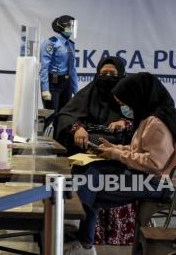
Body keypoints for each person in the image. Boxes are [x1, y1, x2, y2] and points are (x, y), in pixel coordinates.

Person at [64, 72, 176, 254]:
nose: (125, 108)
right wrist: (115, 149)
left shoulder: (156, 123)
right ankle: (83, 239)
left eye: (125, 104)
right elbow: (139, 151)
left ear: (137, 97)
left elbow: (153, 162)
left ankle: (79, 233)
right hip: (150, 177)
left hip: (159, 183)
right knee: (92, 173)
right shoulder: (150, 117)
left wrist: (116, 155)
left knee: (91, 185)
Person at [55, 56, 141, 246]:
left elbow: (143, 123)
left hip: (121, 155)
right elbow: (65, 115)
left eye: (113, 74)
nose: (108, 78)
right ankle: (79, 232)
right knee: (83, 170)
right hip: (89, 151)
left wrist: (125, 123)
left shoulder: (130, 98)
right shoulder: (88, 93)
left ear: (122, 76)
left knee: (91, 175)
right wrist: (76, 127)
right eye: (103, 74)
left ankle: (81, 234)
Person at [40, 15, 79, 122]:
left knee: (65, 116)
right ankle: (49, 137)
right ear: (62, 26)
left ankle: (61, 138)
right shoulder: (51, 42)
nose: (71, 29)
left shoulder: (70, 44)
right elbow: (44, 67)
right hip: (53, 84)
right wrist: (45, 89)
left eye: (73, 26)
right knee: (51, 116)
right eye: (70, 26)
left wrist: (76, 91)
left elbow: (73, 69)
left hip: (66, 84)